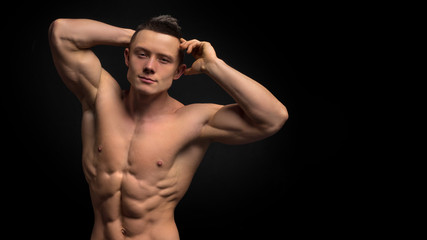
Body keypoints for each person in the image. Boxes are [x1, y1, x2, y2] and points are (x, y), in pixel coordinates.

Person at [48, 15, 288, 240]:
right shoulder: (99, 97)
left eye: (164, 59)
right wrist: (138, 36)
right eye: (142, 54)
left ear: (178, 72)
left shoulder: (192, 120)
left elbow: (273, 117)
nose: (150, 66)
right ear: (127, 57)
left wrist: (214, 66)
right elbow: (62, 32)